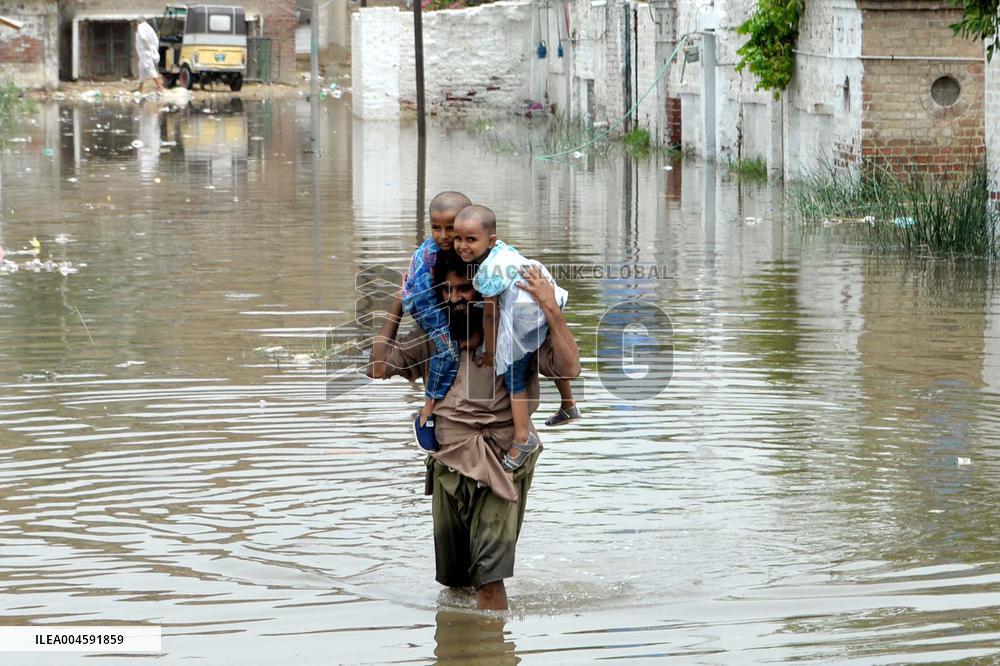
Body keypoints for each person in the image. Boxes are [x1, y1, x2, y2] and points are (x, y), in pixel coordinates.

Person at [367, 251, 581, 610]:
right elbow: (376, 368)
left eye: (466, 289)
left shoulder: (519, 336)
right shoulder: (435, 335)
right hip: (448, 466)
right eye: (449, 291)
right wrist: (397, 305)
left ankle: (491, 649)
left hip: (501, 464)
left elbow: (569, 368)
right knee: (455, 586)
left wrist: (551, 310)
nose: (457, 299)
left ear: (489, 292)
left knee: (489, 580)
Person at [452, 205, 580, 472]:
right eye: (458, 238)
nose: (462, 246)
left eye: (470, 240)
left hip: (527, 313)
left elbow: (491, 317)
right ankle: (568, 402)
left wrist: (490, 352)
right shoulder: (506, 252)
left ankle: (523, 437)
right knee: (545, 344)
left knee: (513, 374)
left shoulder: (488, 271)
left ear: (490, 241)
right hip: (546, 290)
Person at [401, 191, 472, 449]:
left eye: (450, 228)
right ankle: (428, 410)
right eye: (436, 228)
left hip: (439, 303)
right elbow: (424, 296)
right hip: (425, 307)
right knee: (448, 351)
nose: (443, 236)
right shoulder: (431, 255)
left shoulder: (461, 249)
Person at [134, 16, 163, 94]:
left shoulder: (141, 27)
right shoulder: (149, 28)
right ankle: (140, 88)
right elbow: (155, 40)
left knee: (150, 69)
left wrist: (149, 46)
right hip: (145, 53)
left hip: (145, 53)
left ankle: (160, 86)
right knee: (142, 70)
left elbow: (144, 37)